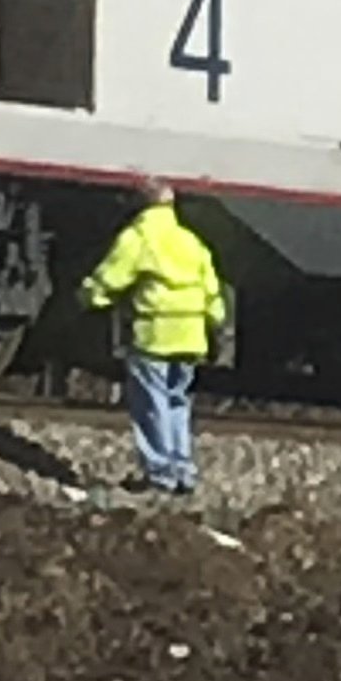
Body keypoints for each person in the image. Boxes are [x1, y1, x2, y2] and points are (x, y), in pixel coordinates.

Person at [81, 179, 226, 495]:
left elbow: (111, 278)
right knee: (177, 401)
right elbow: (212, 290)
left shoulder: (139, 237)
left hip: (155, 335)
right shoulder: (191, 241)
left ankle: (159, 472)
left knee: (151, 403)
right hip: (191, 336)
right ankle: (183, 470)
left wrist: (88, 297)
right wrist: (215, 323)